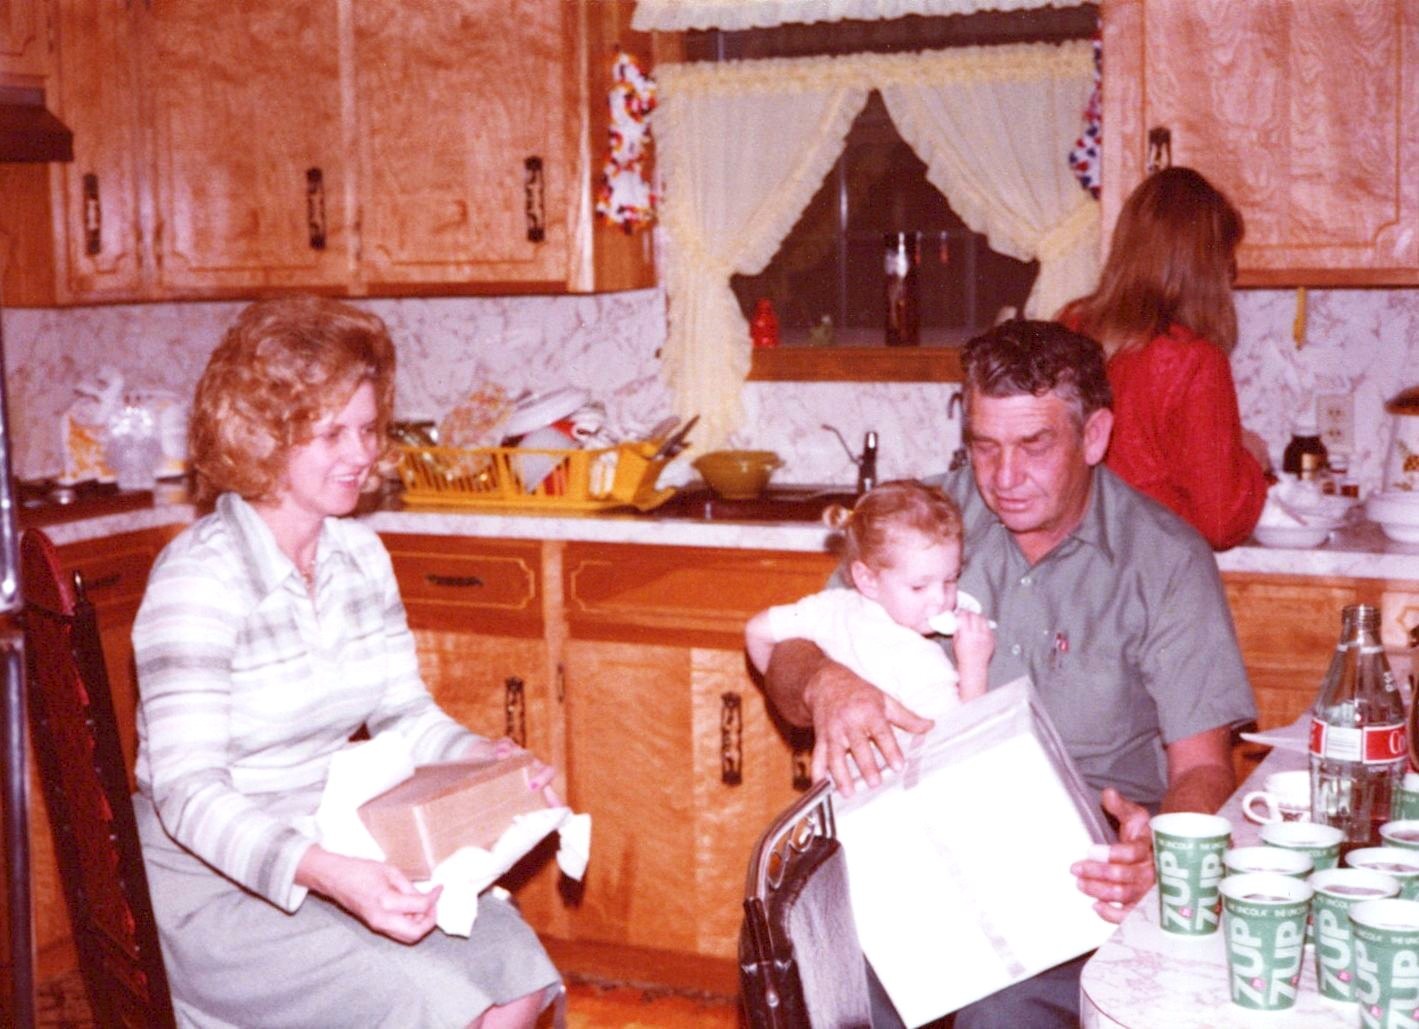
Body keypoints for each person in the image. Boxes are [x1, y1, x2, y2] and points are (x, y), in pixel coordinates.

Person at [763, 319, 1257, 1027]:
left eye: (1034, 445)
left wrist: (1161, 850)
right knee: (823, 969)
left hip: (1085, 875)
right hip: (924, 857)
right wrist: (824, 683)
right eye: (984, 446)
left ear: (1094, 436)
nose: (1003, 477)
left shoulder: (1166, 559)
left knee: (1002, 1006)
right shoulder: (921, 521)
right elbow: (789, 647)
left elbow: (1204, 768)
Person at [131, 295, 561, 1027]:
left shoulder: (359, 555)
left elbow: (402, 713)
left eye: (366, 428)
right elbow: (188, 792)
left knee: (514, 971)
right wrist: (330, 875)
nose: (361, 454)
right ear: (263, 436)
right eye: (331, 433)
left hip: (339, 843)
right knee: (430, 1000)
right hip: (208, 884)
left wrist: (484, 761)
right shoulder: (197, 578)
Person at [1057, 165, 1268, 550]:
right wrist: (1251, 461)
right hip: (1144, 568)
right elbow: (1220, 522)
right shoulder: (1195, 360)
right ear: (1208, 270)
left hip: (1071, 562)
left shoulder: (1070, 325)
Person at [744, 480, 993, 754]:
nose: (940, 598)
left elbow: (756, 630)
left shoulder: (830, 608)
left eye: (950, 579)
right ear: (867, 579)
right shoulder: (917, 659)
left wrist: (814, 712)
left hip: (841, 777)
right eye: (919, 587)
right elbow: (963, 741)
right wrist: (974, 665)